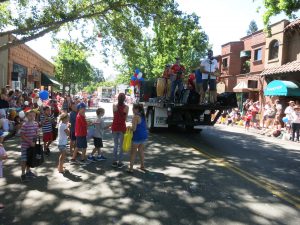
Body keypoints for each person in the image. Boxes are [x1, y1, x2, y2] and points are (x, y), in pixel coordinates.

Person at [127, 104, 148, 173]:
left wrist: (129, 127)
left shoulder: (135, 117)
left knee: (133, 153)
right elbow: (146, 126)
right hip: (144, 136)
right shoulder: (143, 116)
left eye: (133, 109)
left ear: (137, 109)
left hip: (137, 137)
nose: (132, 110)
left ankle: (130, 169)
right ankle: (142, 166)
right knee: (141, 151)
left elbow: (134, 129)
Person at [20, 110, 39, 182]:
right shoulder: (25, 125)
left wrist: (35, 141)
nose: (32, 117)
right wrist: (29, 142)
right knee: (24, 160)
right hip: (25, 146)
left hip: (32, 145)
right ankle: (23, 174)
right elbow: (22, 135)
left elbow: (36, 133)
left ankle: (28, 172)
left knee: (30, 159)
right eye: (30, 115)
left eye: (33, 115)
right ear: (27, 116)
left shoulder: (35, 124)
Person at [111, 93, 129, 168]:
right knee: (121, 145)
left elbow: (114, 116)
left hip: (115, 126)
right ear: (124, 99)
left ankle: (114, 161)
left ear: (118, 98)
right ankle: (120, 162)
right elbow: (126, 119)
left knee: (115, 145)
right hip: (122, 127)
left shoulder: (114, 106)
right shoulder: (126, 107)